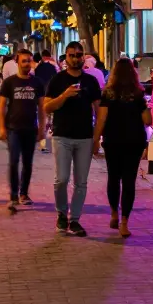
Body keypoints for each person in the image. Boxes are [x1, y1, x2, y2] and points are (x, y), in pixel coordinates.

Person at [43, 41, 103, 237]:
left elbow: (99, 109)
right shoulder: (57, 80)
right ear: (65, 58)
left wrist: (97, 137)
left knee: (81, 182)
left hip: (85, 137)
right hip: (62, 136)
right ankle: (61, 213)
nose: (76, 59)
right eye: (72, 55)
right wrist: (65, 95)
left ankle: (75, 219)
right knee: (61, 179)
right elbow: (47, 107)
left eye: (79, 55)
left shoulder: (91, 82)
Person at [94, 58, 152, 238]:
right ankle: (125, 222)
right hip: (134, 141)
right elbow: (148, 120)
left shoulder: (108, 93)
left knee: (113, 177)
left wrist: (95, 140)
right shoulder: (138, 93)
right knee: (129, 182)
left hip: (113, 140)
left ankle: (113, 213)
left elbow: (101, 118)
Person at [0, 49, 44, 212]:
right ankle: (13, 195)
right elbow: (1, 106)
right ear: (17, 62)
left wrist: (42, 128)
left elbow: (42, 107)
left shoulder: (37, 82)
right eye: (24, 61)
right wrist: (2, 127)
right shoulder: (9, 82)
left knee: (28, 162)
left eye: (29, 61)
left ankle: (24, 193)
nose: (27, 64)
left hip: (30, 128)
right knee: (14, 161)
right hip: (13, 128)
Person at [34, 49, 60, 153]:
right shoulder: (55, 65)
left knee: (43, 119)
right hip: (52, 95)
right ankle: (49, 142)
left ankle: (43, 143)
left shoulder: (39, 67)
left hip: (41, 95)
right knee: (50, 120)